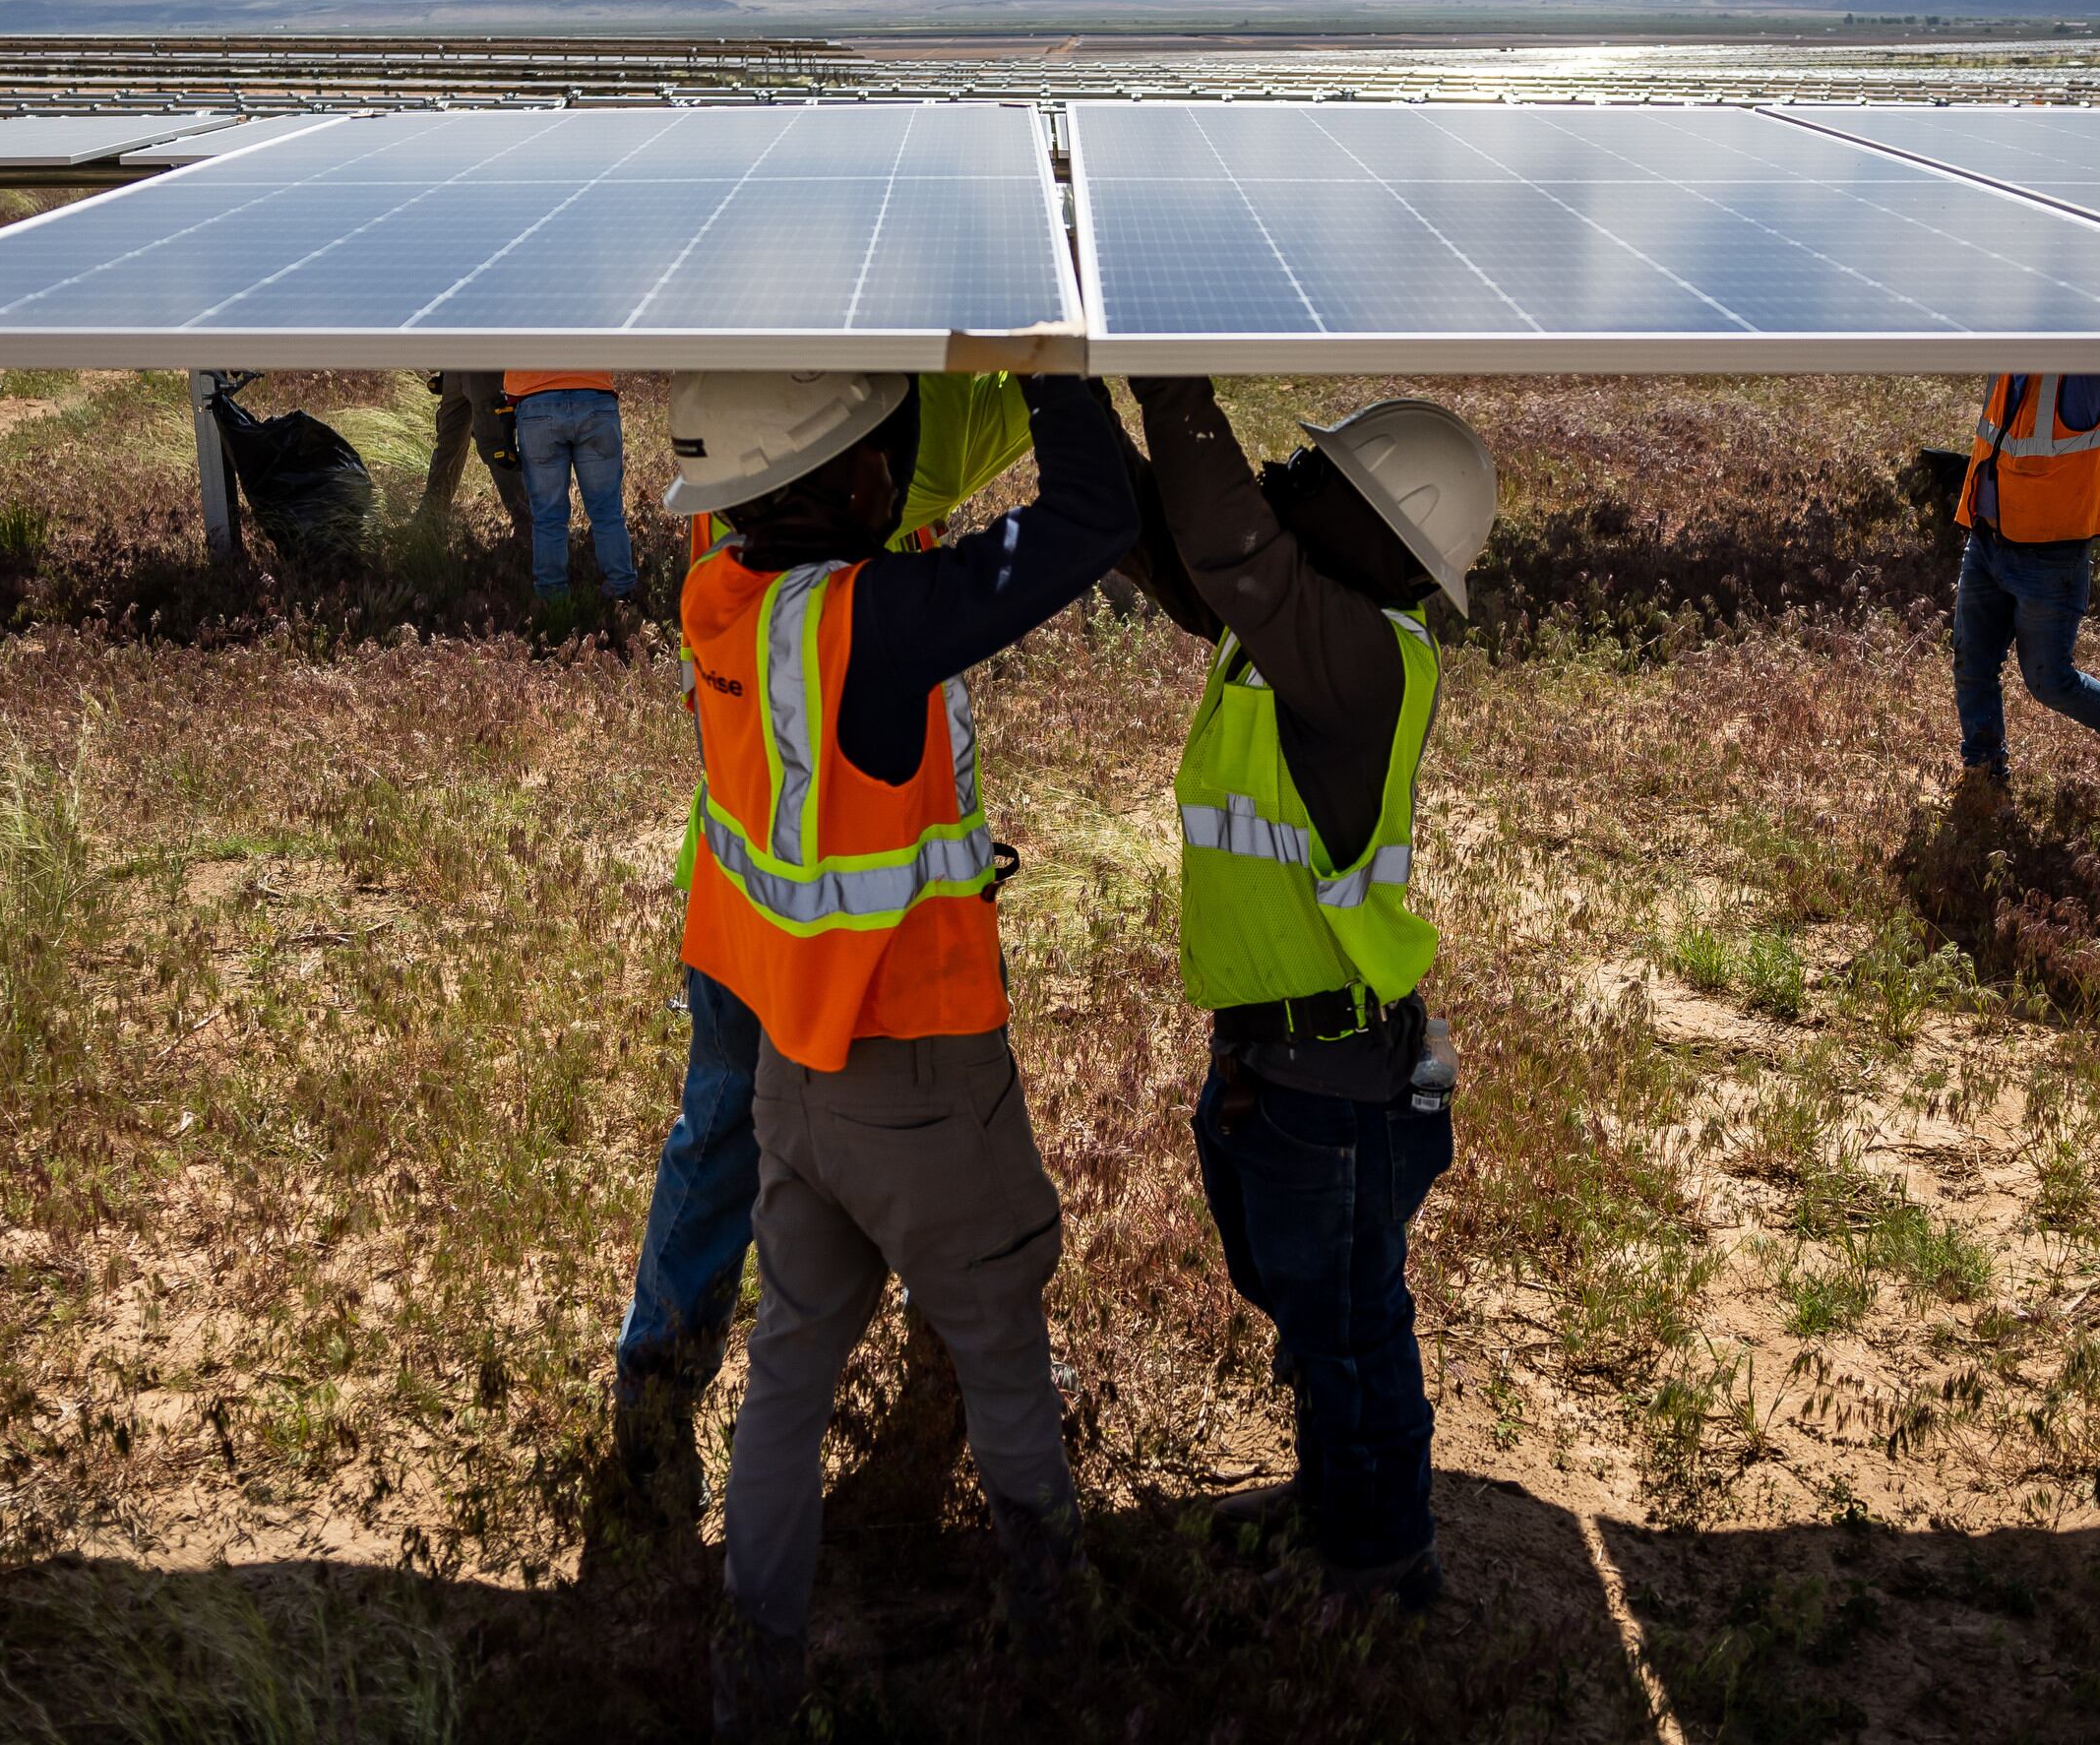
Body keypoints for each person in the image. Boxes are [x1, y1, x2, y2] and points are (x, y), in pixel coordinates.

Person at [666, 370, 1129, 1736]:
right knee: (999, 1351)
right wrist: (1055, 359)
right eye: (876, 454)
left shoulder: (720, 593)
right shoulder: (870, 624)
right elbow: (1090, 518)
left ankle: (754, 1673)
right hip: (920, 1076)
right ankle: (1058, 1649)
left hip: (793, 1080)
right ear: (828, 487)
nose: (898, 476)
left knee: (789, 1379)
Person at [611, 376, 1028, 1513]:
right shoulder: (849, 423)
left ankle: (654, 1398)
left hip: (747, 903)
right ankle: (955, 1375)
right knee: (922, 1151)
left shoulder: (741, 417)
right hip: (859, 939)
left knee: (723, 1140)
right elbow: (998, 426)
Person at [1118, 378, 1491, 1613]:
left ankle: (1386, 1564)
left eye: (1317, 478)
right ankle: (1340, 1499)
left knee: (1349, 1326)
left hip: (1332, 1086)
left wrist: (1162, 370)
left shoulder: (1360, 661)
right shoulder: (1285, 632)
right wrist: (1054, 386)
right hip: (1281, 1067)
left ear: (1387, 541)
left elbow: (1227, 532)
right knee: (1316, 1312)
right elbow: (1160, 523)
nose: (1285, 480)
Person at [1948, 374, 2100, 816]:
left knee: (2049, 681)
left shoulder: (2081, 372)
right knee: (1972, 662)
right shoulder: (2012, 352)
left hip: (2049, 555)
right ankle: (1984, 777)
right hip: (1988, 538)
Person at [500, 370, 635, 607]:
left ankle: (553, 600)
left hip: (535, 404)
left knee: (548, 515)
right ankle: (622, 591)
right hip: (595, 398)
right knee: (607, 510)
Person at [422, 371, 531, 553]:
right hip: (455, 367)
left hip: (484, 367)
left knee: (495, 447)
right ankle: (430, 524)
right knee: (447, 447)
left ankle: (528, 524)